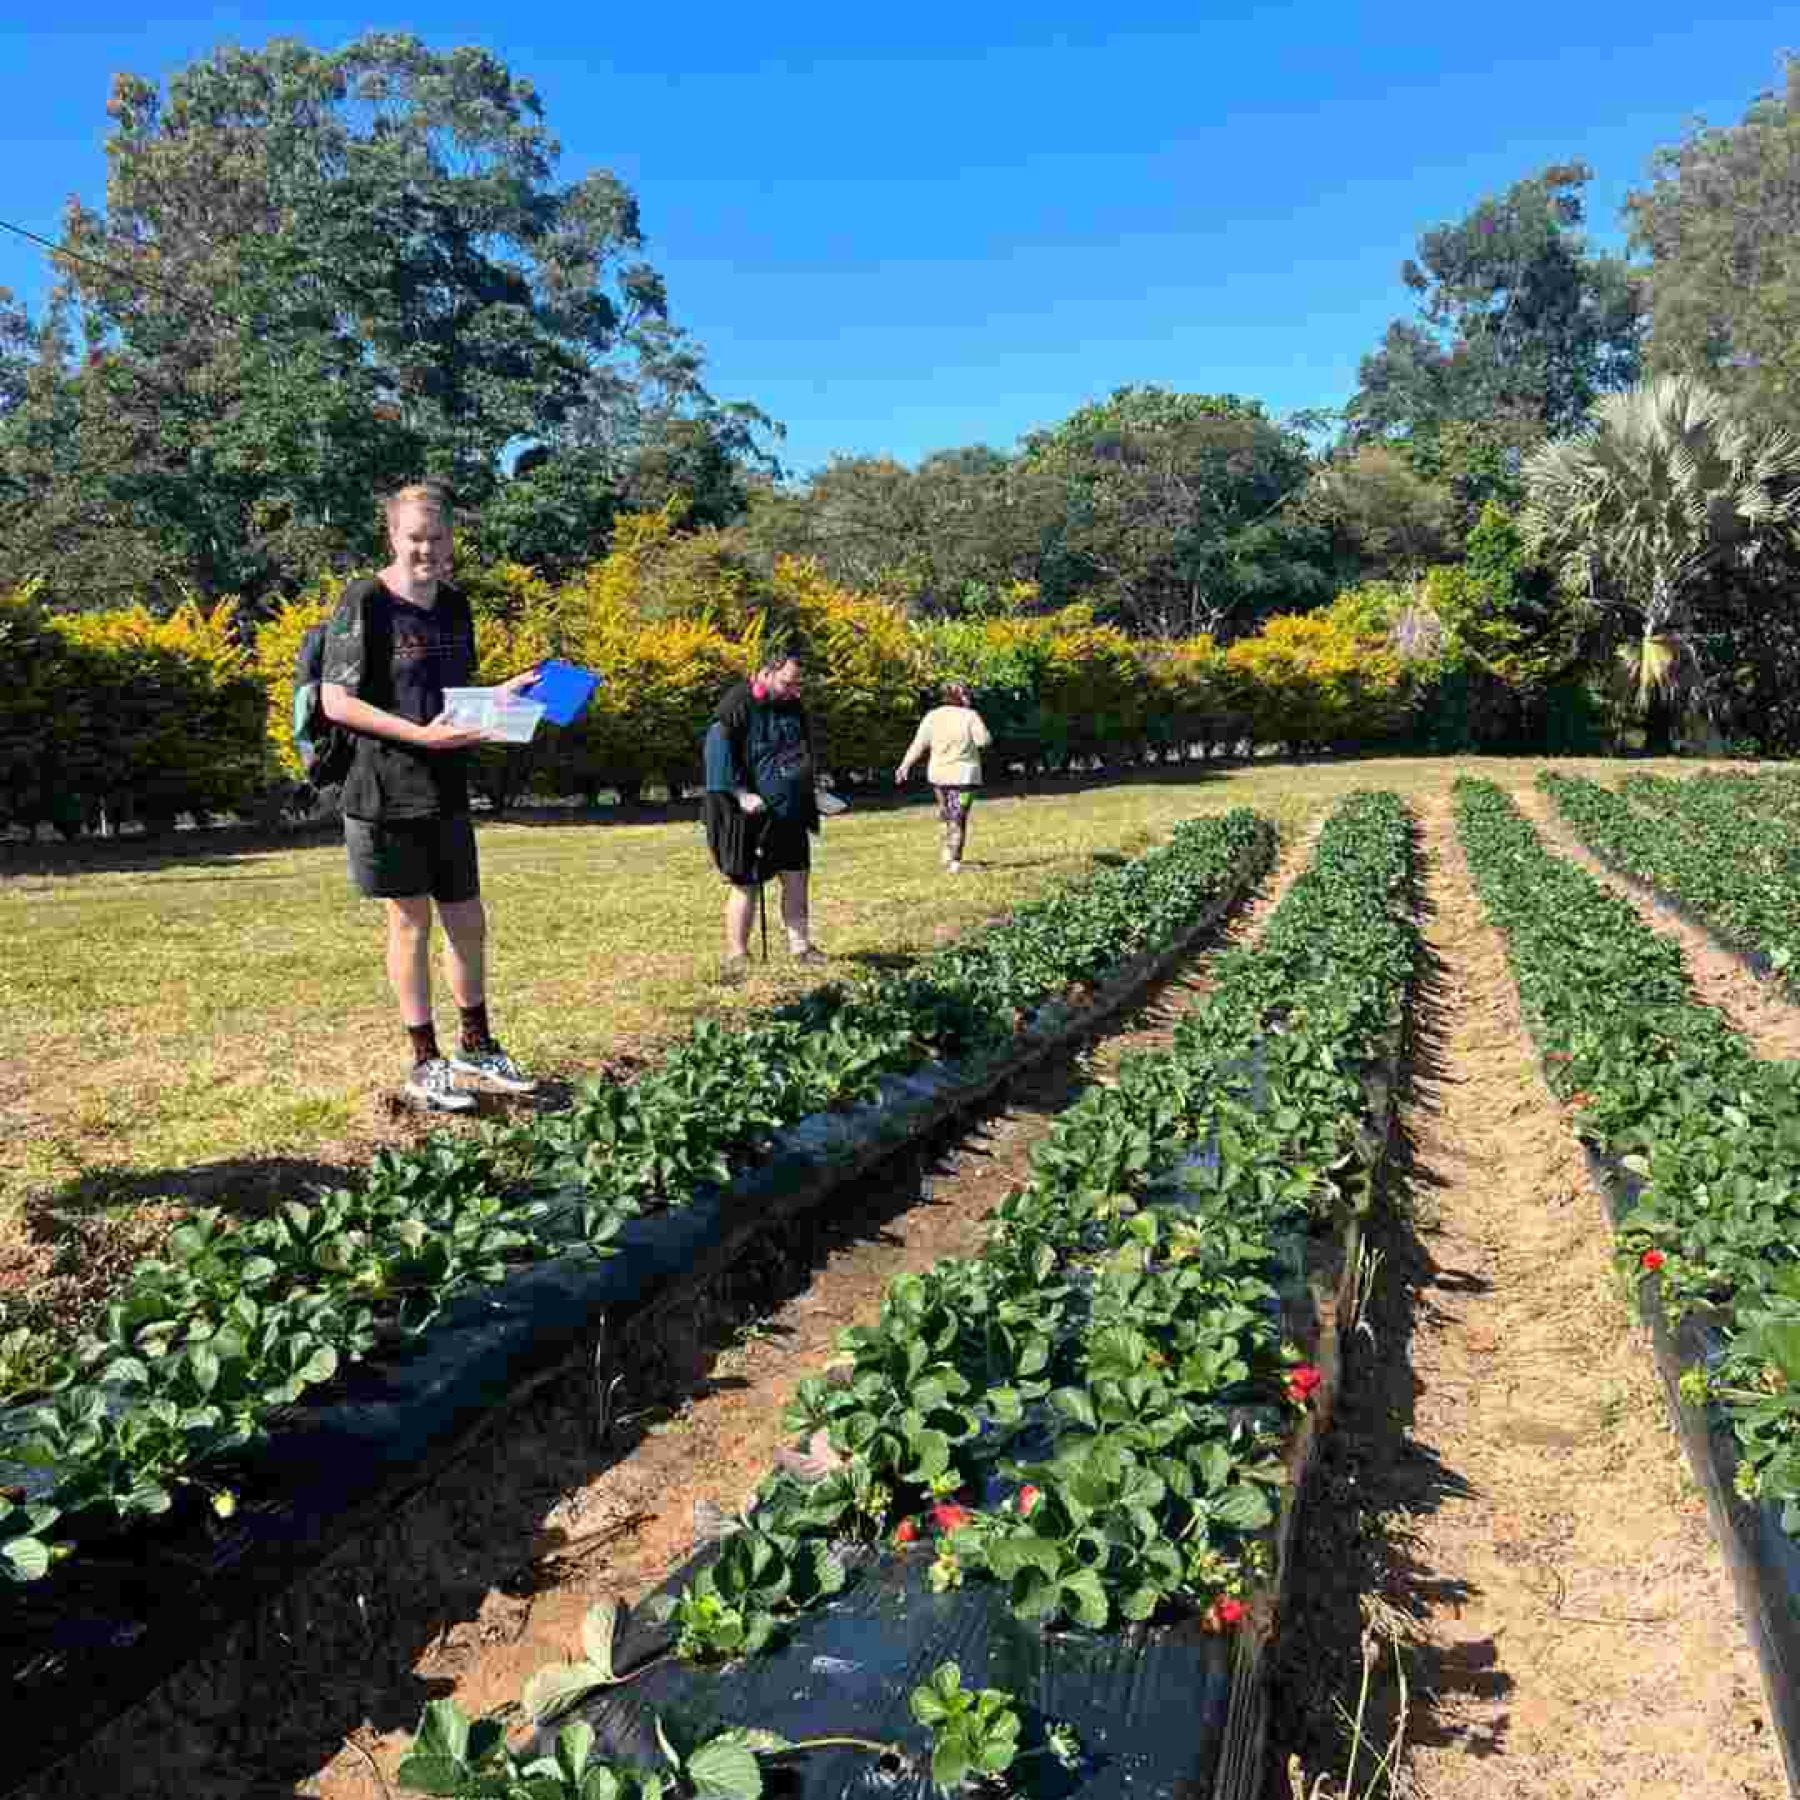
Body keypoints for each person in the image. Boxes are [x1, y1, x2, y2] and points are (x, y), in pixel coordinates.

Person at [320, 480, 541, 1113]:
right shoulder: (364, 601)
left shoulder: (455, 605)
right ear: (392, 536)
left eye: (438, 537)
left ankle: (478, 1045)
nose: (428, 549)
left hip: (445, 787)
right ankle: (425, 1060)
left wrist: (503, 694)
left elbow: (450, 698)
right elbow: (338, 700)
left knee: (468, 920)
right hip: (385, 788)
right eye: (416, 537)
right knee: (410, 921)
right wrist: (416, 735)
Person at [703, 647, 825, 981]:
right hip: (748, 815)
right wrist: (742, 795)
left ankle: (801, 947)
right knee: (746, 883)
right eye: (788, 683)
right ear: (766, 673)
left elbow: (801, 749)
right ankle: (737, 953)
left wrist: (811, 787)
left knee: (797, 876)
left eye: (799, 685)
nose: (794, 691)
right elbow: (718, 755)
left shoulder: (792, 705)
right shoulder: (736, 705)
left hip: (791, 811)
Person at [895, 682, 992, 873]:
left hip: (938, 774)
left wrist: (904, 765)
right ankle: (955, 863)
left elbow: (919, 743)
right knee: (958, 818)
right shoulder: (970, 716)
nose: (969, 698)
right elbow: (983, 741)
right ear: (960, 697)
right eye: (966, 694)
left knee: (946, 813)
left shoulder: (932, 716)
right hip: (964, 775)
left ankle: (947, 851)